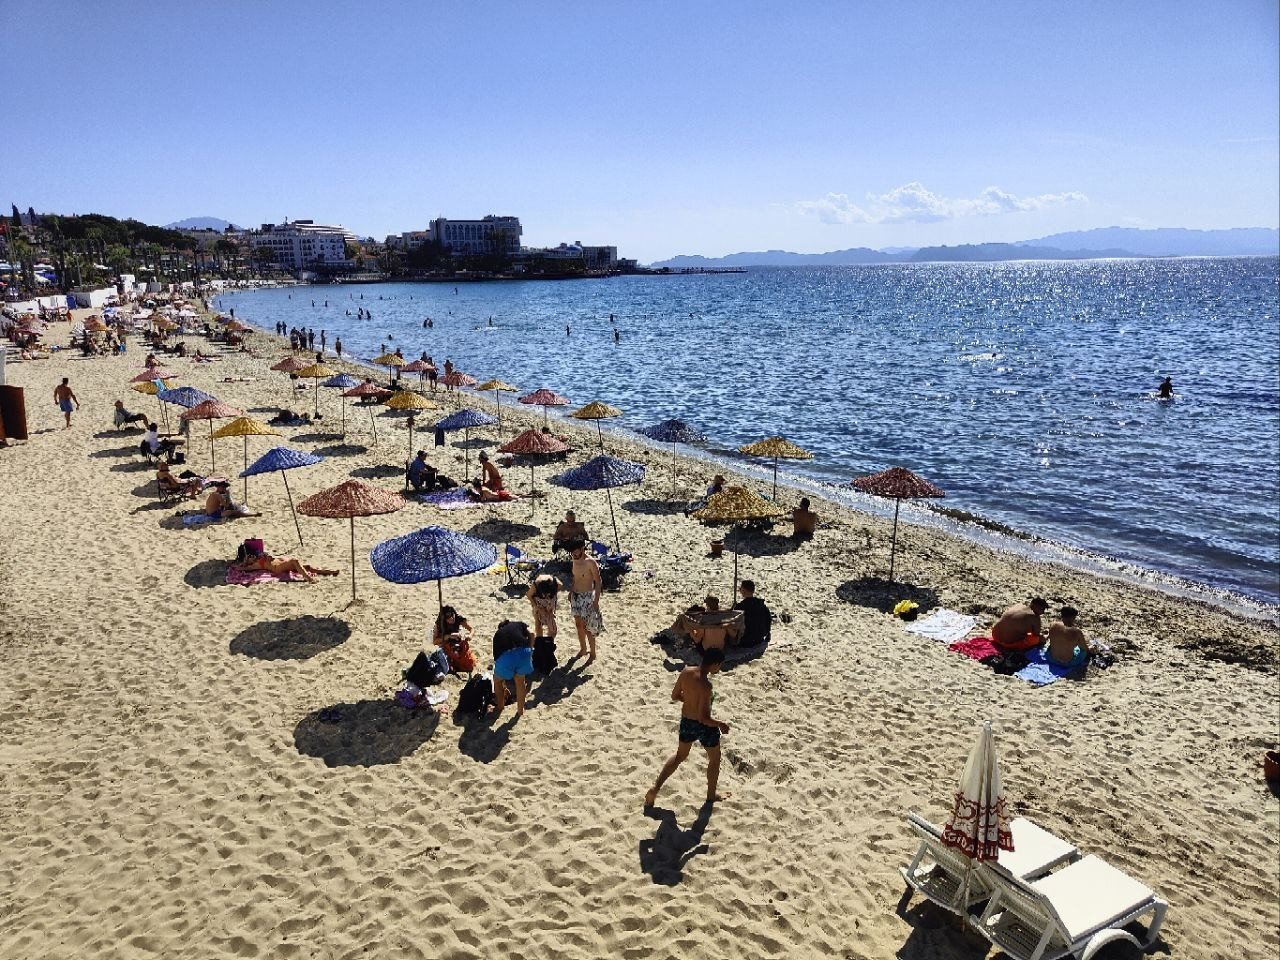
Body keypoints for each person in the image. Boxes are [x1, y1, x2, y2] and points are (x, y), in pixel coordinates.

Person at [645, 646, 730, 808]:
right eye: (719, 666)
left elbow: (675, 695)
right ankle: (711, 796)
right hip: (703, 726)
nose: (719, 669)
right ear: (714, 664)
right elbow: (704, 718)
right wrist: (720, 724)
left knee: (679, 756)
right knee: (715, 759)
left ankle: (655, 789)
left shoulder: (686, 672)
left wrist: (691, 701)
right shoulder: (706, 686)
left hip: (686, 722)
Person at [232, 541, 338, 583]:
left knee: (308, 567)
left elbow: (271, 557)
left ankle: (329, 572)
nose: (252, 557)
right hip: (279, 568)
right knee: (295, 561)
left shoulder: (260, 556)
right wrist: (242, 565)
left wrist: (267, 556)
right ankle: (309, 579)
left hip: (283, 564)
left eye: (251, 555)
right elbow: (244, 568)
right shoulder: (256, 564)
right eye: (249, 557)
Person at [569, 541, 604, 662]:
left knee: (587, 627)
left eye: (576, 551)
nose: (574, 553)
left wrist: (596, 601)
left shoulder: (590, 562)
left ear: (582, 549)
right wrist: (571, 591)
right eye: (572, 551)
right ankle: (583, 649)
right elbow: (575, 577)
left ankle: (593, 653)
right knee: (578, 625)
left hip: (587, 597)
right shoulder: (574, 558)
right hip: (576, 596)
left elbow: (598, 582)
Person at [491, 620, 534, 717]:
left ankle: (500, 707)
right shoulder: (519, 624)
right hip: (524, 652)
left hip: (506, 657)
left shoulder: (497, 634)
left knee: (497, 680)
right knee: (520, 681)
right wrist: (530, 649)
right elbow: (532, 633)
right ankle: (520, 711)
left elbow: (497, 659)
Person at [1045, 606, 1097, 671]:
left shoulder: (1053, 625)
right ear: (1072, 617)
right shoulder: (1077, 631)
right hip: (1068, 663)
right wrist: (1091, 649)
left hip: (1051, 659)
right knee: (1083, 651)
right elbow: (1085, 649)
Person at [732, 580, 772, 647]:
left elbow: (735, 624)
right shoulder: (761, 605)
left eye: (740, 588)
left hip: (745, 641)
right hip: (759, 638)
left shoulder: (740, 607)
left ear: (743, 590)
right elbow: (769, 620)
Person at [527, 574, 561, 639]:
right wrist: (537, 606)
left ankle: (548, 642)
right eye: (545, 594)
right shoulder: (536, 585)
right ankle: (539, 641)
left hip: (550, 602)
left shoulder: (558, 584)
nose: (546, 596)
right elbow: (529, 596)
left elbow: (555, 595)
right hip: (537, 601)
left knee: (553, 629)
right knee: (538, 622)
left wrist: (550, 605)